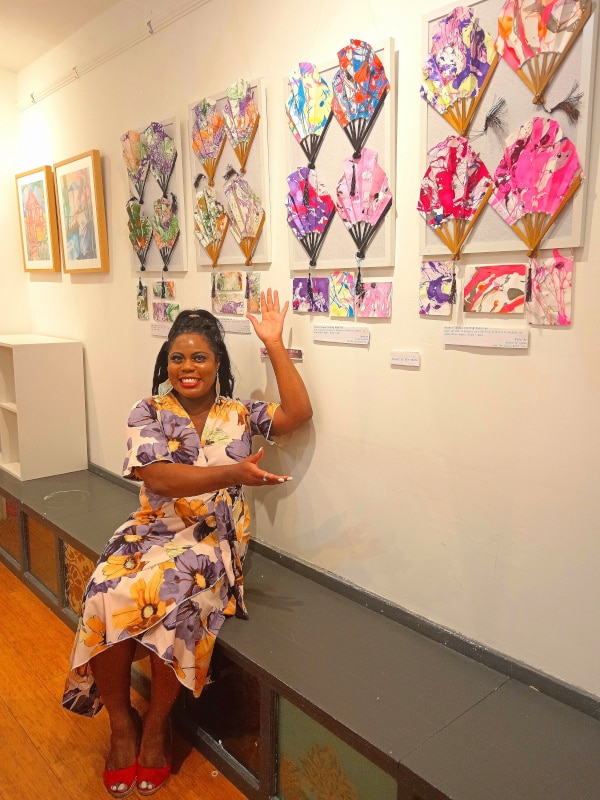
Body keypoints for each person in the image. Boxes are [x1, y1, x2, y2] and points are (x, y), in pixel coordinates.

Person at [62, 289, 312, 798]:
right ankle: (120, 723)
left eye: (199, 357)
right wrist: (233, 471)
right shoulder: (147, 411)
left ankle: (156, 723)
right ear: (166, 364)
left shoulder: (240, 413)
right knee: (106, 591)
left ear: (218, 363)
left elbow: (298, 414)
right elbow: (160, 480)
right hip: (152, 529)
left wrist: (274, 344)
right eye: (178, 358)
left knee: (176, 600)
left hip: (211, 541)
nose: (188, 367)